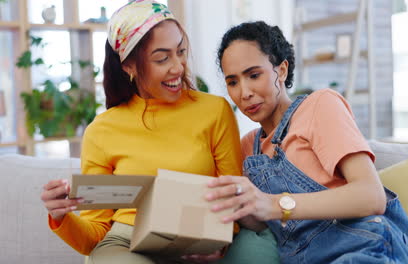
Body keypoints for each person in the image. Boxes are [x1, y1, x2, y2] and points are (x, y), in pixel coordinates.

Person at [39, 1, 255, 263]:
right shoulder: (103, 130)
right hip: (125, 244)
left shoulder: (214, 110)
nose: (178, 67)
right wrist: (60, 215)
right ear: (129, 66)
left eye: (181, 51)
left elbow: (232, 194)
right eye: (162, 58)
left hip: (196, 239)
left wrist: (219, 243)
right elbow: (94, 237)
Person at [206, 21, 408, 263]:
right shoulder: (246, 148)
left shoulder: (319, 106)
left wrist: (275, 204)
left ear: (281, 70)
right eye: (232, 82)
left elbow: (371, 197)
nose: (244, 92)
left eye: (253, 75)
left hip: (370, 250)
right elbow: (262, 223)